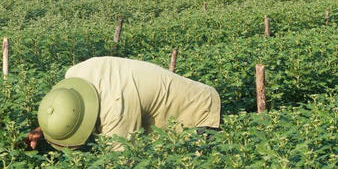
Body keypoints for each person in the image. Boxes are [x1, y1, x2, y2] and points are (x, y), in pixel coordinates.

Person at [26, 56, 221, 150]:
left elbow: (120, 167)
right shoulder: (74, 76)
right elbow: (66, 108)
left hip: (198, 111)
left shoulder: (115, 108)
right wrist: (47, 128)